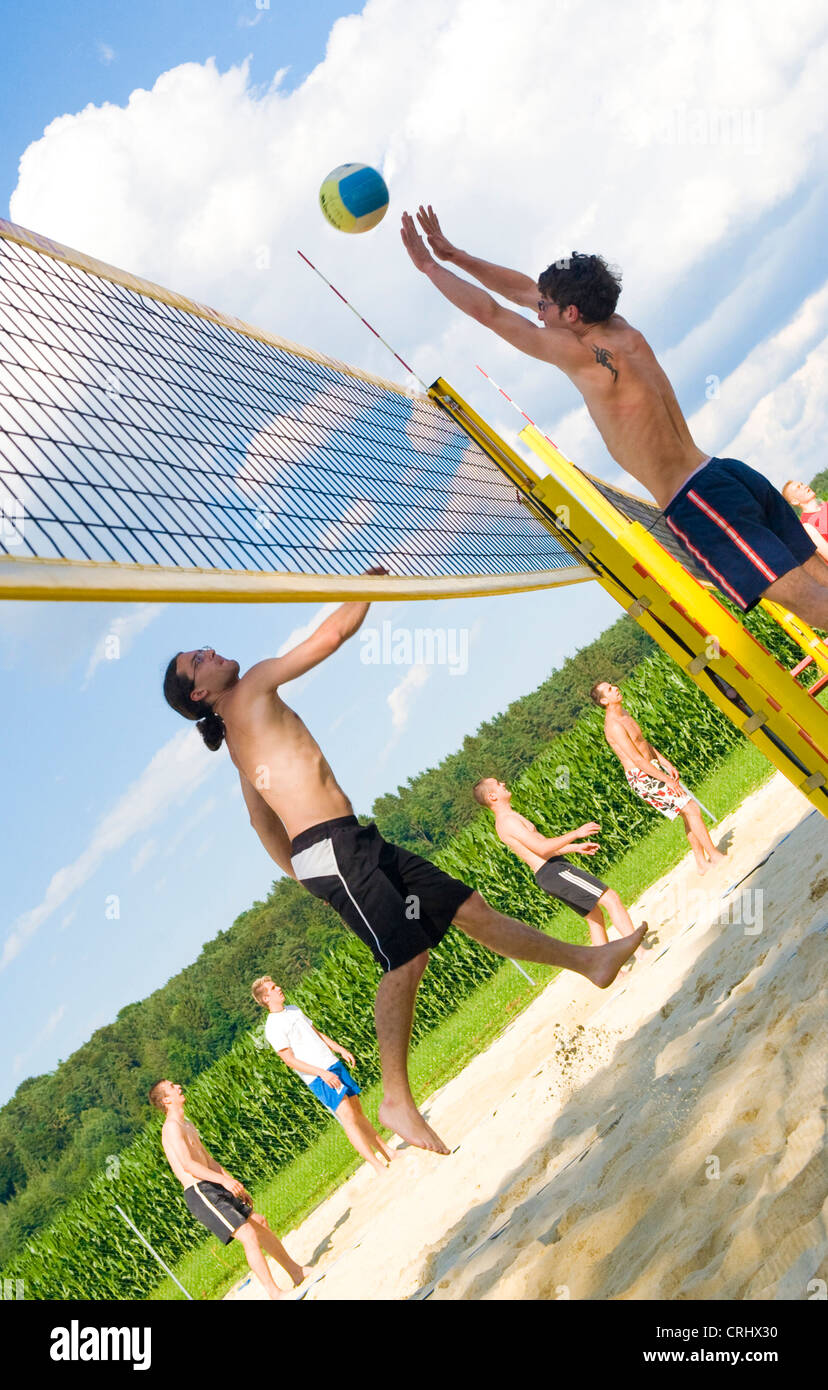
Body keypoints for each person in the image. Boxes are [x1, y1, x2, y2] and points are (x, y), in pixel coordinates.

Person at [162, 593, 645, 1155]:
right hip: (333, 851)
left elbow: (258, 822)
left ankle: (590, 960)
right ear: (200, 693)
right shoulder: (250, 688)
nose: (211, 651)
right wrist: (369, 583)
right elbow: (329, 638)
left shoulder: (239, 739)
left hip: (347, 843)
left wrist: (303, 874)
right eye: (199, 659)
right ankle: (396, 1099)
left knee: (470, 910)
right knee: (406, 956)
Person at [400, 206, 828, 629]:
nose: (537, 312)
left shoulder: (581, 354)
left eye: (545, 307)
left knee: (808, 601)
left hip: (699, 498)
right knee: (822, 581)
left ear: (571, 314)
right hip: (725, 474)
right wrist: (455, 255)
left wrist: (427, 267)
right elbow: (522, 291)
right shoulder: (618, 328)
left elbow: (490, 313)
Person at [149, 1079, 311, 1300]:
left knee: (260, 1223)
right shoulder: (171, 1128)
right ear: (166, 1100)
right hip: (200, 1192)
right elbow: (188, 1165)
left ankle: (297, 1272)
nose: (178, 1087)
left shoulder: (186, 1123)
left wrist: (232, 1182)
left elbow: (208, 1160)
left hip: (213, 1183)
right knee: (248, 1235)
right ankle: (275, 1294)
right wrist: (222, 1182)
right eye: (172, 1087)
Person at [473, 777, 645, 965]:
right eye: (498, 784)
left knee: (594, 916)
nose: (503, 784)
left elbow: (540, 848)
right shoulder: (507, 821)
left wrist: (575, 847)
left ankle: (608, 968)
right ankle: (642, 952)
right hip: (553, 871)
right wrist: (575, 833)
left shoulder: (509, 818)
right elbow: (542, 848)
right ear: (492, 796)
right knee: (610, 898)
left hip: (550, 872)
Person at [252, 977, 396, 1175]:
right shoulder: (273, 1026)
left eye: (277, 984)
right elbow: (289, 1060)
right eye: (273, 988)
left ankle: (388, 1152)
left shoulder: (293, 1009)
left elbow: (317, 1034)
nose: (279, 988)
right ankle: (377, 1166)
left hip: (332, 1064)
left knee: (357, 1112)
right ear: (266, 998)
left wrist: (340, 1050)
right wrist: (322, 1073)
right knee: (348, 1118)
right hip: (319, 1076)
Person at [590, 681, 725, 875]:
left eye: (613, 685)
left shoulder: (624, 713)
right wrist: (666, 779)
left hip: (652, 768)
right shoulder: (613, 726)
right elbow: (636, 759)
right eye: (610, 689)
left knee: (688, 811)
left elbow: (643, 743)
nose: (616, 688)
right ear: (604, 700)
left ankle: (702, 863)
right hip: (642, 776)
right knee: (691, 809)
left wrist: (665, 762)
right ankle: (714, 855)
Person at [781, 481, 828, 567]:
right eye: (798, 488)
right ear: (795, 502)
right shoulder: (807, 526)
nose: (804, 486)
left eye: (802, 484)